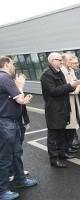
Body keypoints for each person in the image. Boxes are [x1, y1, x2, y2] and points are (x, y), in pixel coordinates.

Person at [0, 56, 37, 200]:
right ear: (6, 64)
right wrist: (21, 87)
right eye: (13, 64)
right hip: (7, 123)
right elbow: (20, 99)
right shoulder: (6, 78)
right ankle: (2, 191)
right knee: (6, 157)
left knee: (15, 153)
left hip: (8, 122)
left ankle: (20, 179)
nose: (14, 66)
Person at [41, 52, 80, 168]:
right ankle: (54, 159)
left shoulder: (58, 72)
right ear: (52, 61)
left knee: (61, 133)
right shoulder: (47, 75)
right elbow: (53, 91)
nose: (61, 62)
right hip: (54, 109)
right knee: (53, 135)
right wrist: (70, 85)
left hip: (62, 107)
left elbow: (63, 89)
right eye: (59, 60)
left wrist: (72, 86)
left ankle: (61, 153)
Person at [61, 53, 80, 153]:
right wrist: (78, 89)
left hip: (75, 99)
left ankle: (70, 145)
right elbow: (67, 87)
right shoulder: (62, 72)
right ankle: (68, 146)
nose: (71, 61)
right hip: (69, 100)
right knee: (69, 124)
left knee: (76, 121)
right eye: (69, 59)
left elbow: (74, 83)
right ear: (63, 61)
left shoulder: (71, 70)